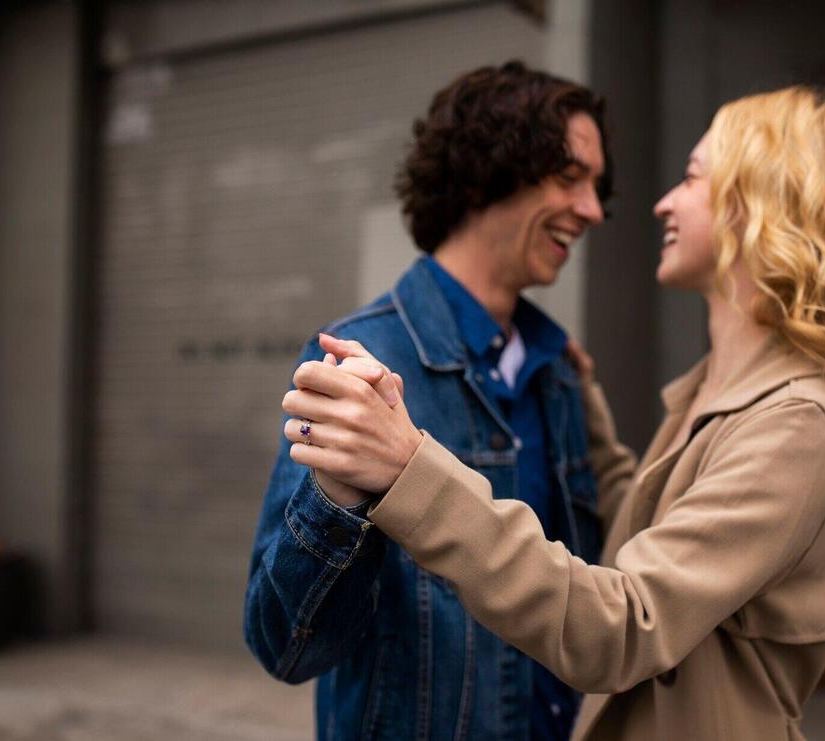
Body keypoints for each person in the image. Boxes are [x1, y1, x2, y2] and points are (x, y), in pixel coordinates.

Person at [285, 86, 825, 740]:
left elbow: (624, 625)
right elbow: (652, 531)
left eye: (690, 178)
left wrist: (409, 470)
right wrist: (588, 415)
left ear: (763, 205)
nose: (661, 203)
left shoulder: (797, 424)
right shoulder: (720, 391)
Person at [244, 61, 612, 740]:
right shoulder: (358, 363)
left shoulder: (559, 371)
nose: (593, 209)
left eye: (596, 186)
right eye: (570, 178)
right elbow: (284, 647)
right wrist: (337, 496)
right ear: (486, 172)